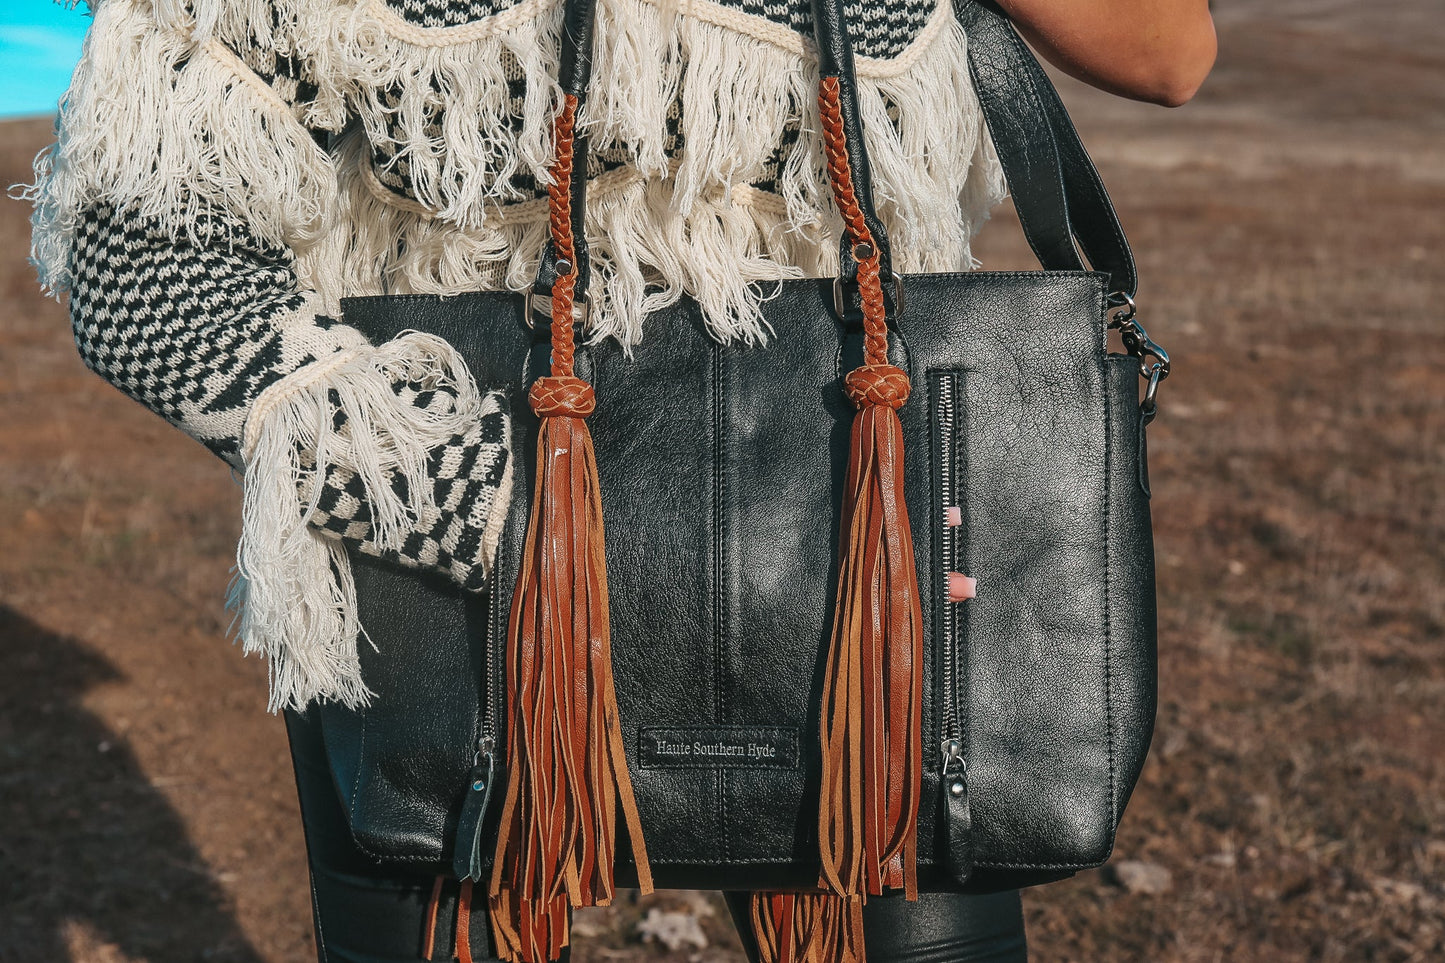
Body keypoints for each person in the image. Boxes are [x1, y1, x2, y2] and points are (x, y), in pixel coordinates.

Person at [25, 0, 1215, 960]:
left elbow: (1170, 51)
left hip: (866, 521)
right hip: (464, 548)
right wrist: (444, 490)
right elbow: (136, 230)